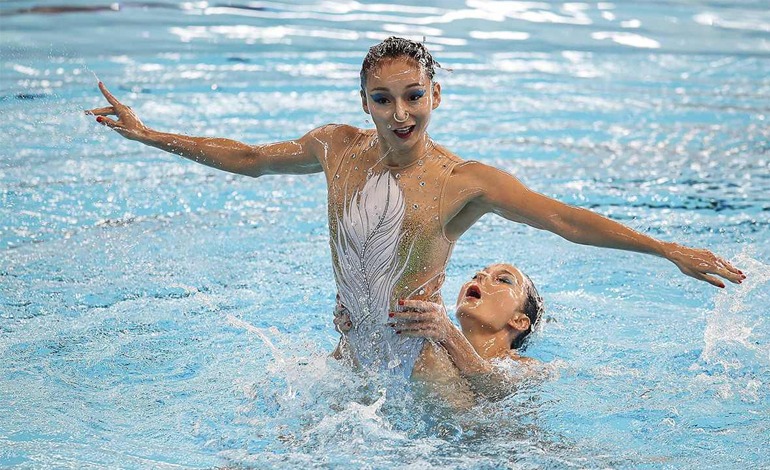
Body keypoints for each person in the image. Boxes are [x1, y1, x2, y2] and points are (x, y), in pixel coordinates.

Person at [87, 37, 745, 381]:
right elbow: (250, 158)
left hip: (418, 370)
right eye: (381, 99)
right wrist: (149, 135)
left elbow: (564, 219)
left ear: (436, 94)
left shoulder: (464, 181)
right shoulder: (334, 148)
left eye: (412, 96)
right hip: (346, 361)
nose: (398, 115)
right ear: (364, 100)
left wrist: (665, 250)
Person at [336, 263, 543, 398]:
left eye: (503, 279)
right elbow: (337, 375)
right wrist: (354, 335)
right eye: (477, 273)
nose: (480, 275)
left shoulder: (526, 367)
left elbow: (495, 388)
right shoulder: (431, 350)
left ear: (520, 321)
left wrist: (449, 334)